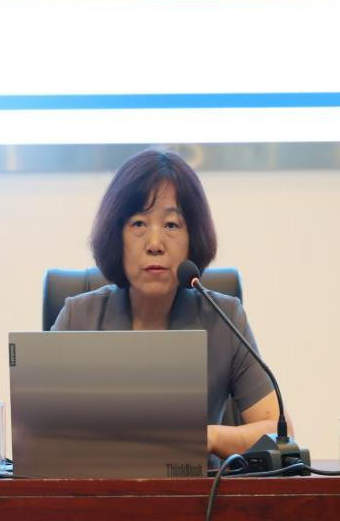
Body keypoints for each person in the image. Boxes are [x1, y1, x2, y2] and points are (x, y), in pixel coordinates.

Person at [51, 149, 291, 459]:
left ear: (193, 238)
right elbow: (39, 434)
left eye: (172, 225)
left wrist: (205, 436)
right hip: (100, 487)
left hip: (198, 489)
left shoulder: (223, 319)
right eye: (138, 223)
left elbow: (278, 433)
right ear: (116, 236)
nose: (155, 244)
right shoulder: (78, 319)